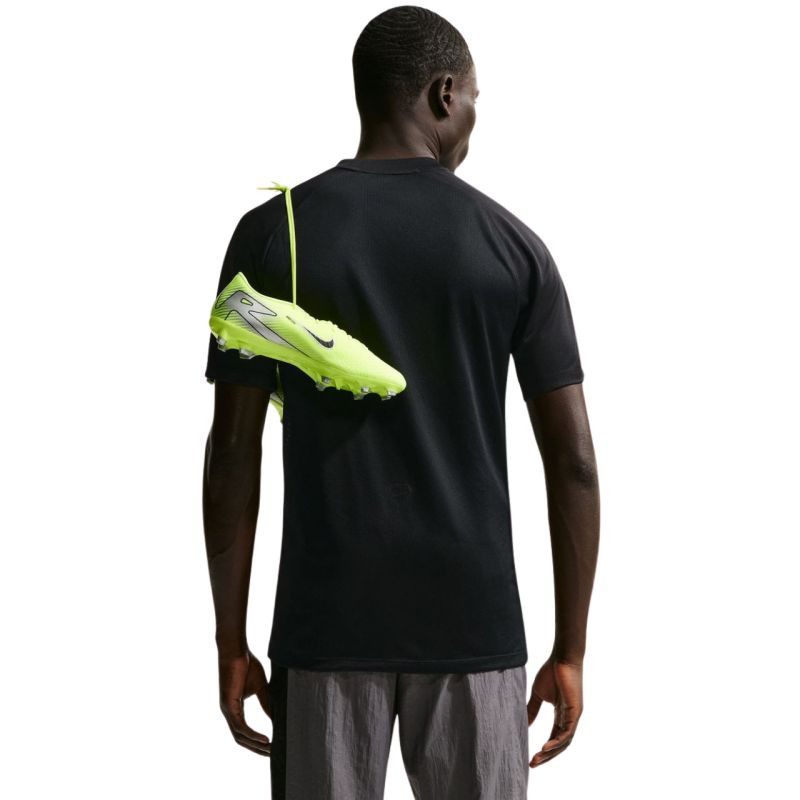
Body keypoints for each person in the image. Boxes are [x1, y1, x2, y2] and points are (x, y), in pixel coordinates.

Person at [202, 5, 600, 799]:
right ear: (445, 93)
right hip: (474, 625)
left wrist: (230, 640)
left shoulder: (273, 235)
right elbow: (575, 463)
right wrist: (570, 650)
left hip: (324, 624)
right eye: (476, 97)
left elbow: (233, 453)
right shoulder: (512, 246)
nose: (475, 116)